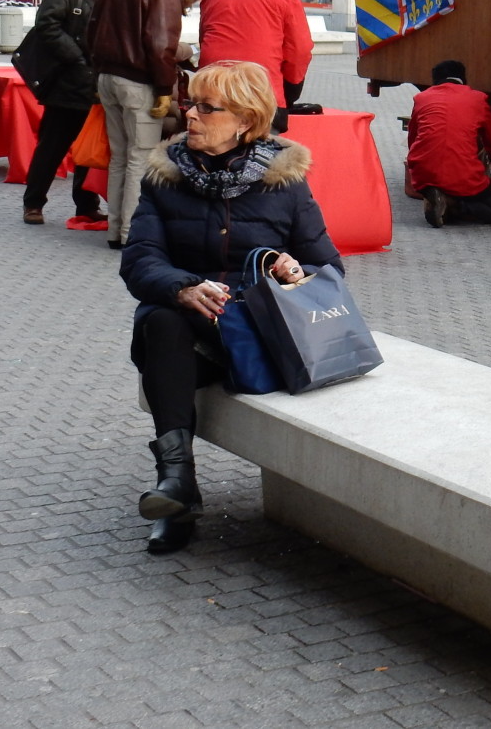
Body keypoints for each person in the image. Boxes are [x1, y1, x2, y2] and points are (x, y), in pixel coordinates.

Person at [120, 60, 340, 553]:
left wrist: (293, 272)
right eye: (190, 103)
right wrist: (181, 286)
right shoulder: (165, 177)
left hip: (259, 338)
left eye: (206, 107)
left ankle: (178, 494)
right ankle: (177, 484)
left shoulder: (285, 183)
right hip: (192, 338)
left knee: (164, 333)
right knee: (162, 321)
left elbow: (328, 269)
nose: (189, 115)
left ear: (245, 120)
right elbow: (139, 259)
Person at [84, 0, 192, 250]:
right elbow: (161, 45)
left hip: (107, 77)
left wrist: (98, 72)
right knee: (139, 158)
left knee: (120, 157)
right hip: (138, 81)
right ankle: (132, 234)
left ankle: (115, 230)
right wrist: (164, 88)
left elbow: (92, 30)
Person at [18, 0, 138, 225]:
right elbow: (47, 23)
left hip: (97, 83)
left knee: (88, 147)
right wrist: (76, 58)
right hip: (66, 80)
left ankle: (85, 205)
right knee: (52, 146)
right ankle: (33, 203)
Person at [198, 0, 314, 133]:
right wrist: (290, 93)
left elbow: (204, 41)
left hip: (214, 91)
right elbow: (300, 51)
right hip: (263, 92)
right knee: (262, 147)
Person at [406, 59, 491, 227]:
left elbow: (413, 137)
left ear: (435, 80)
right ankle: (452, 203)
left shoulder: (422, 98)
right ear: (463, 78)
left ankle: (440, 199)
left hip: (423, 173)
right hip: (463, 175)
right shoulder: (477, 99)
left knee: (445, 184)